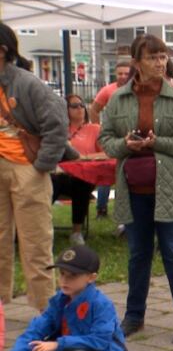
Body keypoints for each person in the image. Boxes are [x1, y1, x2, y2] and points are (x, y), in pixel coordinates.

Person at [98, 34, 173, 344]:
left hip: (172, 189)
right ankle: (134, 316)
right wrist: (125, 145)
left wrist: (159, 143)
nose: (160, 63)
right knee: (138, 255)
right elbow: (105, 141)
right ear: (136, 63)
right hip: (135, 191)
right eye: (153, 57)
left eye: (163, 57)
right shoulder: (119, 99)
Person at [0, 22, 70, 312]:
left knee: (36, 246)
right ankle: (1, 310)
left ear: (2, 51)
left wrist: (41, 165)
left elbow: (57, 124)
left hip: (27, 169)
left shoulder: (28, 83)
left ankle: (46, 313)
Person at [0, 245, 127, 351]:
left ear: (91, 277)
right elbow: (36, 329)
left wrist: (57, 345)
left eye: (72, 275)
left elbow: (100, 341)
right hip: (65, 348)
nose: (64, 280)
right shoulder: (59, 300)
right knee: (34, 348)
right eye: (62, 273)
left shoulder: (102, 304)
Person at [52, 95, 104, 246]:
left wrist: (84, 158)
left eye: (81, 105)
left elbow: (108, 153)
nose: (80, 108)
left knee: (81, 182)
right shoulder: (59, 129)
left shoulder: (95, 129)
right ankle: (36, 227)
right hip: (59, 175)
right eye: (74, 106)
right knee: (53, 180)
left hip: (84, 174)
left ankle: (76, 232)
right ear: (65, 110)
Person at [91, 61, 131, 219]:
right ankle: (101, 208)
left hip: (131, 138)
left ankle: (125, 212)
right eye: (119, 73)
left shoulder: (136, 89)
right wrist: (98, 128)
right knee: (106, 173)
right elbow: (94, 109)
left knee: (126, 174)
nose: (122, 76)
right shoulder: (108, 90)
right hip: (113, 138)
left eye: (126, 73)